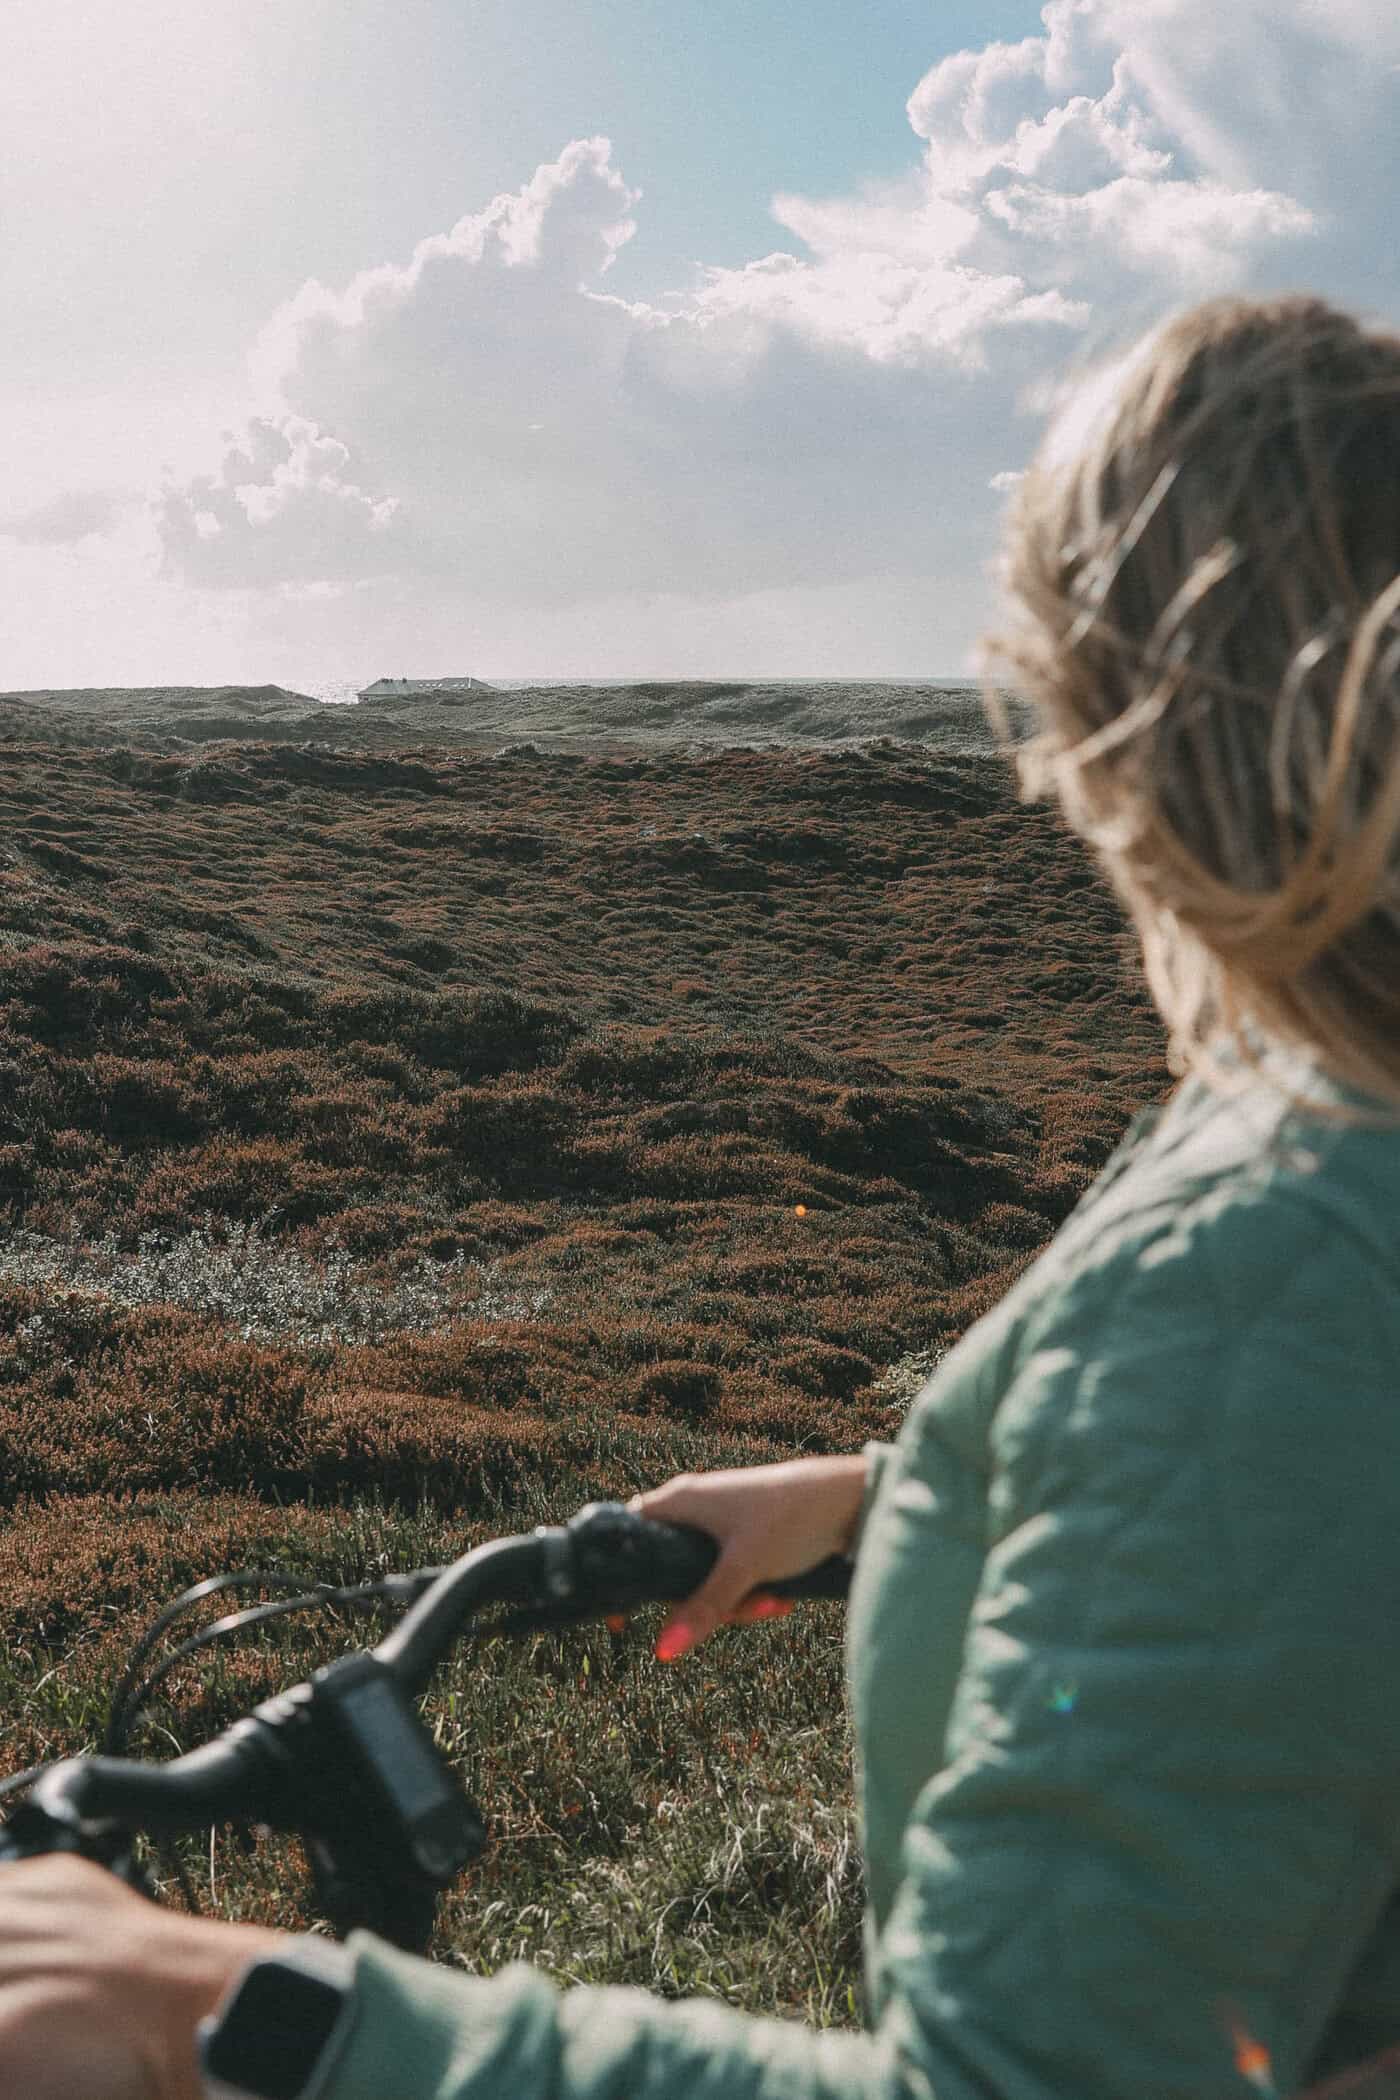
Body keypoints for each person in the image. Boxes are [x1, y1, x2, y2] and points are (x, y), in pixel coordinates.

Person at [5, 288, 1400, 2100]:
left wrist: (239, 2008)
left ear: (1134, 723)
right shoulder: (1325, 1127)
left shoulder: (1270, 1250)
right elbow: (1298, 1498)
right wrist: (903, 1501)